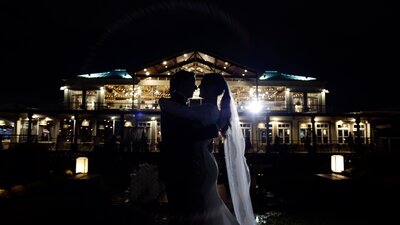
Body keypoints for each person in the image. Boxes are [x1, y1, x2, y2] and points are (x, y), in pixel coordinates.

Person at [159, 73, 256, 225]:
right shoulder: (205, 109)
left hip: (201, 163)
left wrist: (162, 101)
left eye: (202, 84)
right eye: (194, 83)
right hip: (198, 161)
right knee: (204, 207)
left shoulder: (208, 110)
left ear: (211, 89)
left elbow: (187, 128)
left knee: (201, 208)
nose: (197, 86)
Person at [159, 70, 220, 225]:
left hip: (186, 168)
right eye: (191, 83)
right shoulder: (174, 106)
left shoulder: (178, 106)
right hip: (179, 168)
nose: (195, 87)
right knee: (184, 211)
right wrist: (211, 131)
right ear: (182, 84)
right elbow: (182, 136)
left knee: (188, 211)